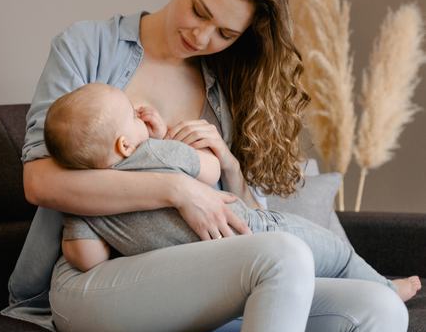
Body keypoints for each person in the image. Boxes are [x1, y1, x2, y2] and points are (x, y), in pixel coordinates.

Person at [3, 0, 411, 332]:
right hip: (94, 282)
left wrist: (232, 169)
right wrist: (176, 188)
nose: (202, 38)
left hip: (196, 281)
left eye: (225, 33)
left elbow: (247, 220)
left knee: (380, 313)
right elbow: (41, 181)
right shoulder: (88, 46)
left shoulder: (222, 85)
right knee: (283, 254)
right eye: (200, 11)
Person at [45, 82, 421, 304]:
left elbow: (86, 258)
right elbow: (208, 169)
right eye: (131, 113)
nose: (139, 113)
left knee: (304, 280)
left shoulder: (86, 205)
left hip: (205, 273)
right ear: (126, 144)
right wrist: (163, 139)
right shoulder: (152, 152)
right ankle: (385, 289)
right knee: (335, 253)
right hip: (254, 232)